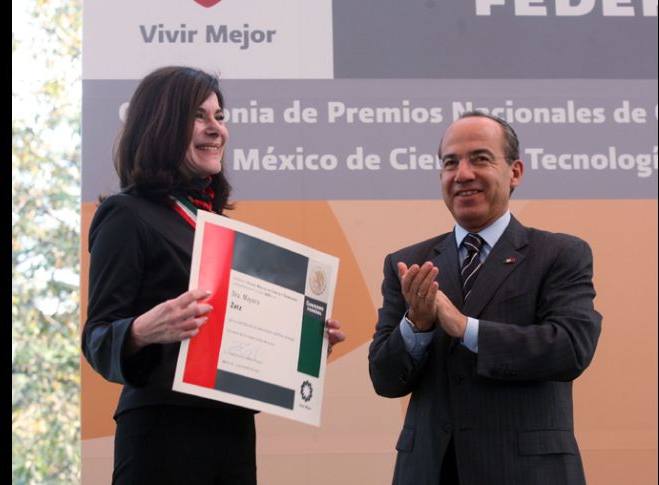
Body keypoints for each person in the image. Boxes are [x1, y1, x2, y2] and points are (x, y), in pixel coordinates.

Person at [82, 66, 346, 485]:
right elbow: (97, 337)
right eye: (198, 116)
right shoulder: (125, 215)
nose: (216, 129)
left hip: (232, 434)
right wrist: (140, 330)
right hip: (163, 436)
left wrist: (302, 346)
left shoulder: (218, 227)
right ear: (160, 124)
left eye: (219, 117)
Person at [368, 112, 602, 485]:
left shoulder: (559, 254)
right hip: (432, 471)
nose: (462, 174)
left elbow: (571, 348)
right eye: (450, 163)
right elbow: (385, 379)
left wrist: (466, 328)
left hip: (528, 473)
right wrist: (417, 326)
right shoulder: (408, 263)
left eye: (479, 158)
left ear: (515, 172)